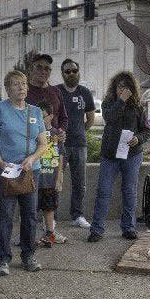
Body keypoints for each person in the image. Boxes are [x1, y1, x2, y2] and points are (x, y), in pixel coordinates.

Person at [0, 70, 47, 276]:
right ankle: (3, 259)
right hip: (6, 171)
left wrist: (32, 159)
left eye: (23, 83)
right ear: (7, 88)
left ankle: (29, 255)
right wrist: (1, 162)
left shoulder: (35, 112)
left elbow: (43, 144)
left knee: (29, 215)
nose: (21, 87)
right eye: (15, 84)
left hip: (30, 171)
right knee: (5, 215)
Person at [88, 72, 149, 242]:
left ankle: (128, 227)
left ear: (132, 89)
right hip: (110, 155)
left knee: (129, 191)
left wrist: (139, 139)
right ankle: (97, 229)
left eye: (125, 87)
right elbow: (109, 118)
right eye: (119, 86)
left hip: (132, 155)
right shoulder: (109, 102)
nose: (122, 89)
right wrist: (120, 100)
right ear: (114, 88)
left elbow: (146, 130)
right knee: (103, 191)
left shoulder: (137, 106)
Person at [25, 54, 69, 243]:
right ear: (31, 69)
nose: (44, 71)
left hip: (53, 149)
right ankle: (28, 234)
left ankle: (50, 232)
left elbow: (64, 118)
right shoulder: (25, 91)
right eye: (39, 67)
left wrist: (62, 132)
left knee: (50, 195)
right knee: (30, 197)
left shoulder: (56, 92)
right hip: (32, 151)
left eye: (47, 69)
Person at [56, 58, 95, 229]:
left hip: (79, 144)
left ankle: (78, 215)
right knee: (55, 181)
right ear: (63, 74)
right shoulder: (56, 91)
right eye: (67, 71)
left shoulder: (84, 92)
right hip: (58, 144)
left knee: (80, 182)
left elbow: (91, 119)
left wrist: (79, 130)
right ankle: (51, 217)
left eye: (74, 70)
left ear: (78, 72)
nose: (71, 73)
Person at [35, 100, 64, 247]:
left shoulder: (56, 134)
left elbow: (61, 156)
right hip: (35, 178)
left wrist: (59, 178)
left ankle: (49, 234)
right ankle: (29, 235)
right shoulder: (33, 133)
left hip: (50, 179)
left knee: (49, 208)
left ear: (51, 116)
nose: (40, 119)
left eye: (43, 116)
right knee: (31, 208)